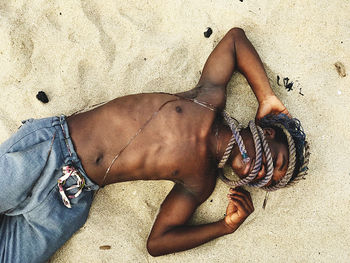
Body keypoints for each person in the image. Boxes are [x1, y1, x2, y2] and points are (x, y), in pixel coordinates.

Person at [0, 27, 309, 262]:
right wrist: (267, 96)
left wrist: (225, 226)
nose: (263, 174)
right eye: (276, 163)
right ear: (266, 134)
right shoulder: (207, 100)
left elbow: (158, 242)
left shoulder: (200, 182)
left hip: (70, 201)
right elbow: (234, 41)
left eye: (267, 181)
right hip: (51, 149)